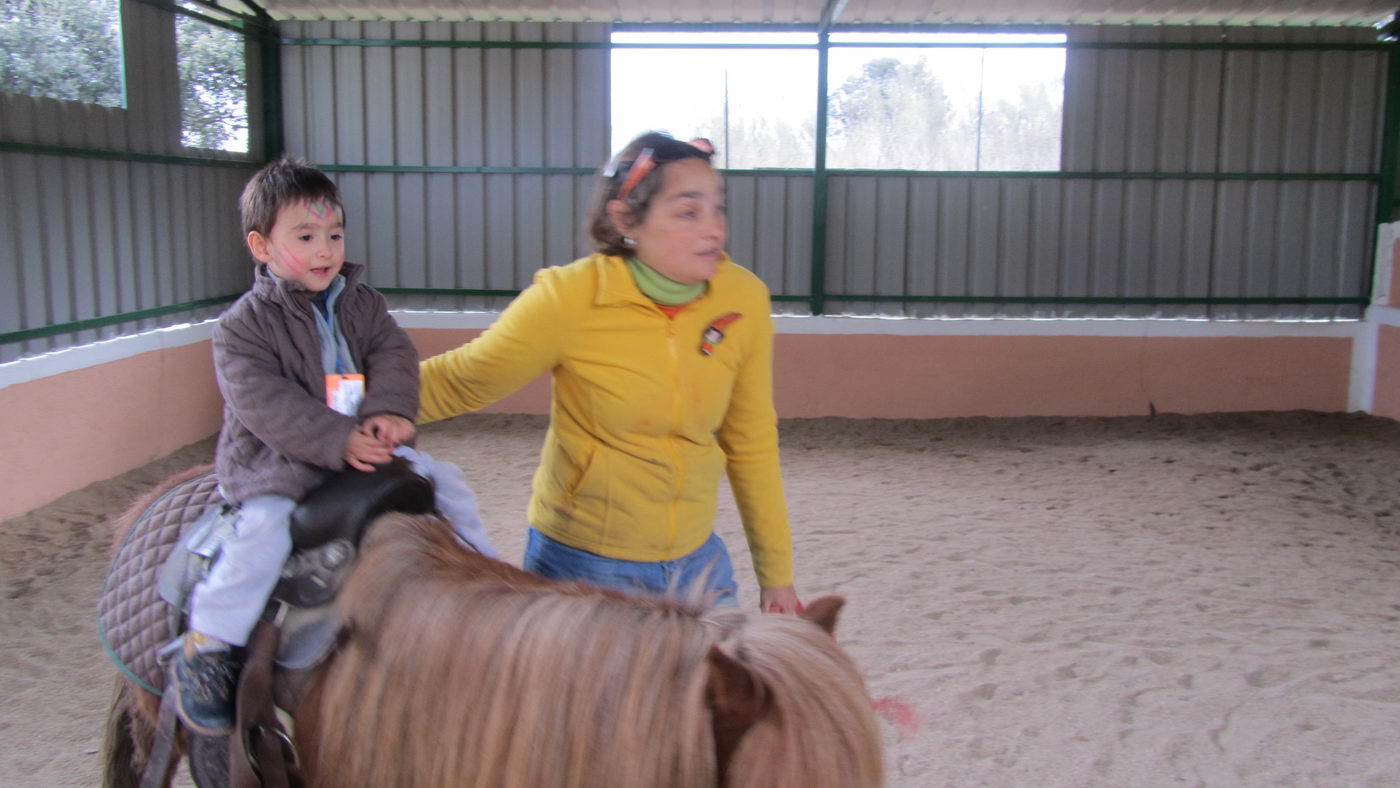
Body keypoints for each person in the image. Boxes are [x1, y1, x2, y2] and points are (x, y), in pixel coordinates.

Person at [171, 156, 497, 736]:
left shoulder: (362, 303)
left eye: (334, 234)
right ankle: (211, 640)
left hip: (361, 445)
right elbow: (264, 404)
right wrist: (337, 438)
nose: (325, 249)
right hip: (278, 462)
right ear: (261, 246)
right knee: (264, 532)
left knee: (444, 480)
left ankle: (486, 577)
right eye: (305, 236)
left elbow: (393, 357)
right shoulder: (242, 328)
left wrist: (389, 414)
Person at [418, 131, 802, 614]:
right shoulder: (569, 298)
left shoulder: (742, 298)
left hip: (698, 565)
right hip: (583, 566)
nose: (714, 230)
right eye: (688, 211)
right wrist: (343, 403)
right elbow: (461, 379)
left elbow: (750, 440)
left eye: (717, 208)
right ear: (626, 220)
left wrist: (777, 577)